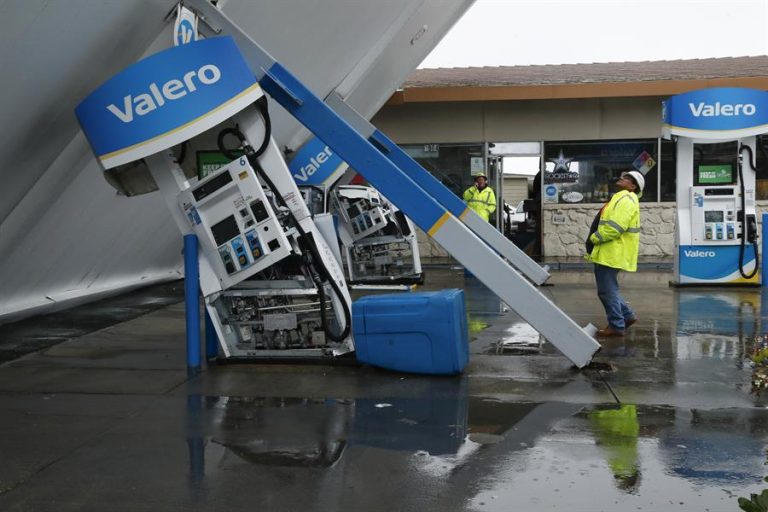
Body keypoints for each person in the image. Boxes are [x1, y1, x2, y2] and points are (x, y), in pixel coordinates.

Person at [586, 170, 644, 337]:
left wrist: (595, 237)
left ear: (633, 187)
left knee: (606, 291)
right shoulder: (622, 198)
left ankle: (617, 325)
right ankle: (627, 316)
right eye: (623, 176)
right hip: (611, 252)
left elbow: (615, 228)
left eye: (627, 178)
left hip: (612, 252)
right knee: (610, 289)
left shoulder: (626, 199)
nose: (622, 178)